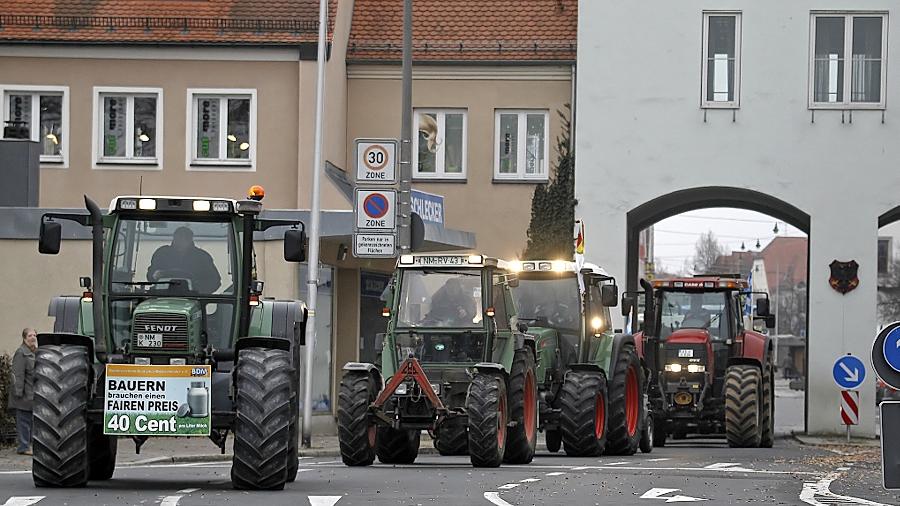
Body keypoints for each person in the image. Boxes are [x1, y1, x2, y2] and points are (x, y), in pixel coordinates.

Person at [147, 226, 221, 293]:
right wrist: (155, 275)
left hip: (192, 298)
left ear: (190, 240)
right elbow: (150, 274)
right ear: (174, 238)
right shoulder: (162, 253)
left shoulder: (202, 257)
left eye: (184, 238)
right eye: (178, 238)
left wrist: (198, 291)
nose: (180, 241)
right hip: (162, 297)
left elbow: (215, 281)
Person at [10, 328, 37, 456]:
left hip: (32, 394)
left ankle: (28, 446)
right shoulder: (21, 353)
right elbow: (18, 374)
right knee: (24, 422)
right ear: (24, 338)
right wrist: (18, 393)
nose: (33, 337)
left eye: (34, 335)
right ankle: (23, 447)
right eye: (30, 335)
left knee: (31, 422)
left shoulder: (34, 353)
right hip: (23, 394)